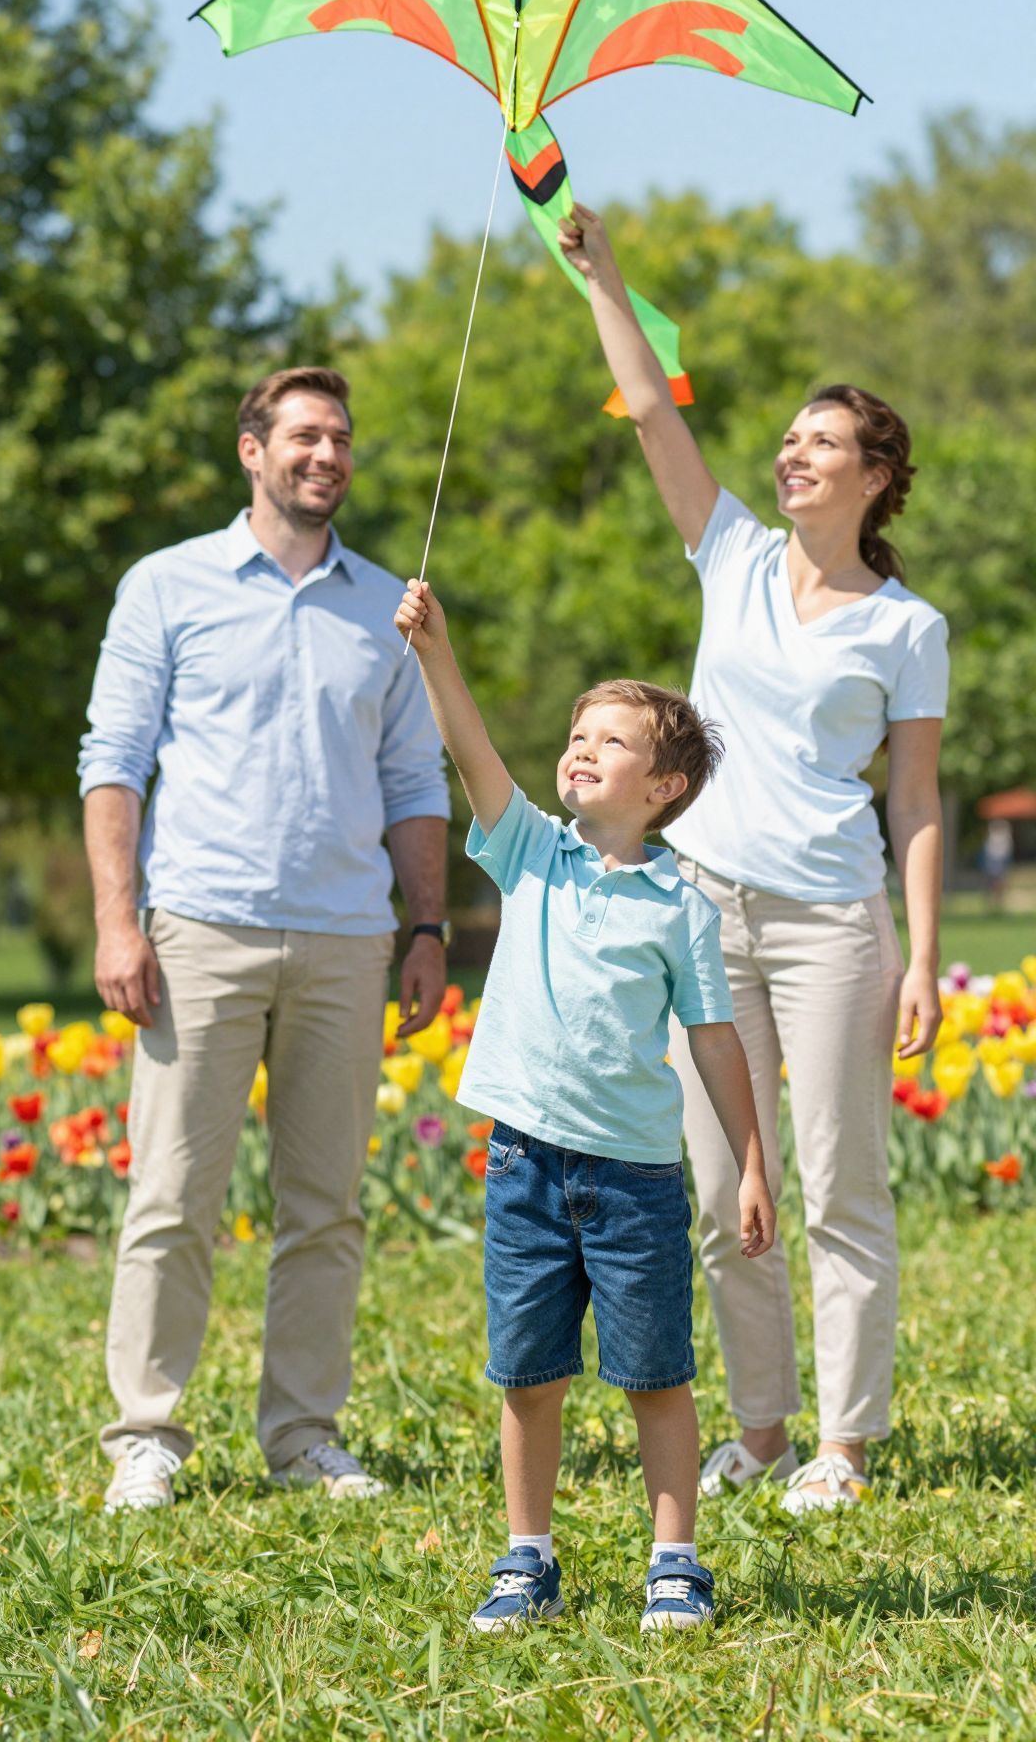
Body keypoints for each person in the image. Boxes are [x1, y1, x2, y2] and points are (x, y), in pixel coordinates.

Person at [557, 204, 948, 1513]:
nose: (791, 453)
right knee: (726, 1189)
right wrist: (604, 275)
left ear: (876, 475)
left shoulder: (909, 628)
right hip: (704, 912)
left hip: (833, 919)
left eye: (819, 442)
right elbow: (650, 412)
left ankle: (846, 1443)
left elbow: (916, 797)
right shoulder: (727, 551)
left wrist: (922, 959)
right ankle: (764, 1429)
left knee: (838, 1185)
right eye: (787, 439)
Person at [79, 365, 451, 1511]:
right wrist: (116, 919)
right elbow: (113, 760)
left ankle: (303, 1434)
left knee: (325, 1206)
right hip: (199, 928)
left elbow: (415, 781)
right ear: (252, 450)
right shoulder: (165, 585)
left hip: (348, 939)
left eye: (341, 436)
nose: (326, 454)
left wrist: (427, 924)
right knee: (173, 1193)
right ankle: (146, 1433)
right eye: (304, 435)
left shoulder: (387, 607)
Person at [395, 576, 775, 1632]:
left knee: (656, 1375)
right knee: (528, 1375)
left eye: (611, 741)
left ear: (664, 786)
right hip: (524, 1164)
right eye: (576, 735)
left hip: (635, 1179)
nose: (581, 750)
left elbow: (713, 1037)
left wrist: (752, 1161)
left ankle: (675, 1562)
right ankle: (528, 1559)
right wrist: (435, 651)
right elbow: (472, 750)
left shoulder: (681, 905)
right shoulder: (531, 851)